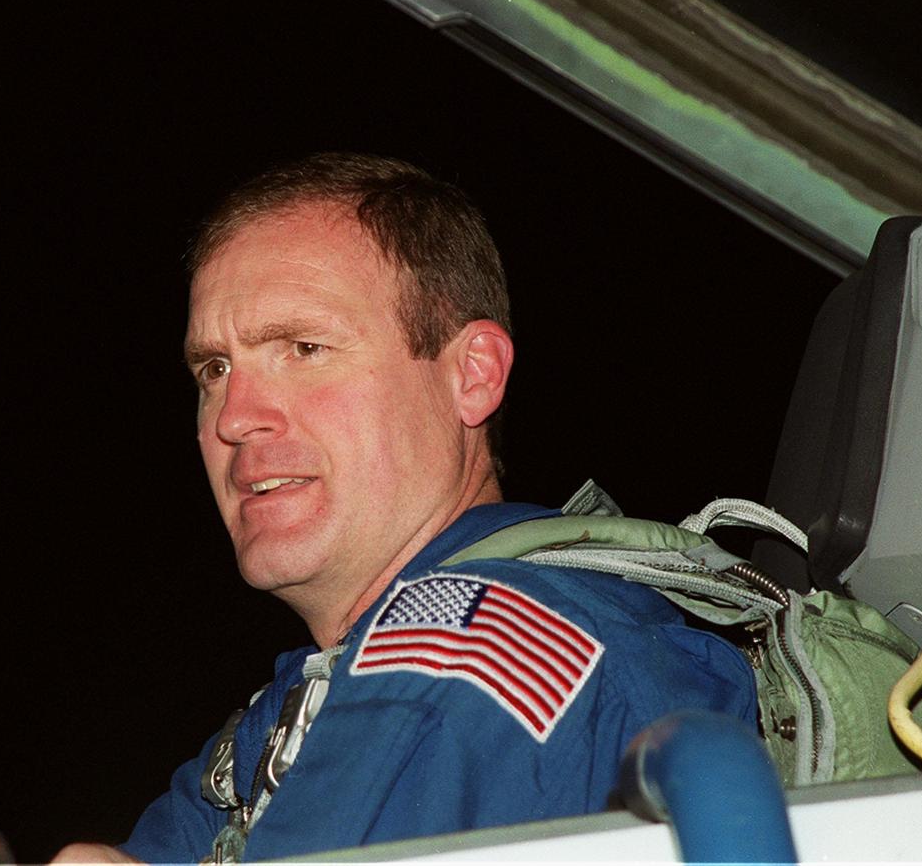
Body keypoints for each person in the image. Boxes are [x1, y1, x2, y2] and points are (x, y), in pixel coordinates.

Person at [55, 153, 755, 863]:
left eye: (304, 347)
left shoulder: (477, 647)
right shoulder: (299, 701)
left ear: (472, 375)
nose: (234, 417)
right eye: (214, 369)